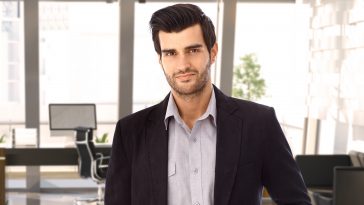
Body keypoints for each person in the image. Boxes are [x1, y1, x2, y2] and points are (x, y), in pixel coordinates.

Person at [105, 3, 311, 205]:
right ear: (160, 59)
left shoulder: (258, 123)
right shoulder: (130, 132)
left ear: (212, 52)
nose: (183, 64)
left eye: (193, 50)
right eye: (171, 53)